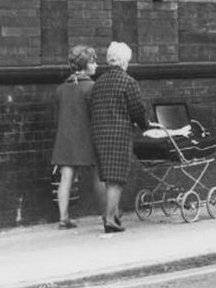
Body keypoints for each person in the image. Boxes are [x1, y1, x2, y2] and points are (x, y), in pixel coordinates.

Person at [90, 41, 149, 233]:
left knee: (105, 177)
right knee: (117, 178)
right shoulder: (127, 82)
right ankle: (110, 219)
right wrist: (145, 126)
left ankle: (110, 213)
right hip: (119, 134)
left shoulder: (98, 83)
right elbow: (137, 110)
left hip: (99, 133)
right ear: (124, 61)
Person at [51, 45, 99, 229]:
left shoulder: (61, 89)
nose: (96, 65)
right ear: (86, 64)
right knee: (99, 174)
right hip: (87, 137)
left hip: (65, 138)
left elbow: (57, 116)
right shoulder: (92, 88)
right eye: (93, 61)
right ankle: (108, 213)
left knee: (66, 177)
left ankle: (63, 217)